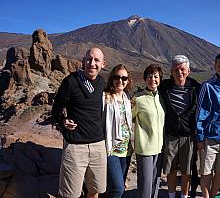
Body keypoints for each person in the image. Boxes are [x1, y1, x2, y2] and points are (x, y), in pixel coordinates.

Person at [51, 47, 107, 198]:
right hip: (75, 147)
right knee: (70, 195)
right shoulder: (71, 82)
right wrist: (63, 121)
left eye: (96, 60)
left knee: (95, 190)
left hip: (98, 145)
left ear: (103, 64)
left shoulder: (102, 83)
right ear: (83, 61)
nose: (92, 63)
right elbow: (55, 110)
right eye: (89, 59)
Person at [160, 55, 200, 198]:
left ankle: (184, 195)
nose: (180, 73)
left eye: (183, 69)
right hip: (170, 134)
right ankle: (171, 195)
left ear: (188, 71)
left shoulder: (196, 88)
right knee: (170, 169)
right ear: (171, 71)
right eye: (176, 70)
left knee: (186, 170)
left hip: (188, 136)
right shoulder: (164, 87)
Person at [196, 53, 220, 198]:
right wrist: (199, 137)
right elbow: (200, 114)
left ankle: (212, 195)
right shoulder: (208, 86)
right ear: (215, 66)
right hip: (209, 138)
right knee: (206, 172)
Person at [132, 64, 165, 198]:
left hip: (159, 148)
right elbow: (128, 119)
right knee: (145, 185)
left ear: (160, 79)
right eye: (149, 76)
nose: (153, 79)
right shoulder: (138, 99)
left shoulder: (161, 98)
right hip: (145, 148)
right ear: (145, 79)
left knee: (155, 183)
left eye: (156, 76)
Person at [103, 64, 133, 198]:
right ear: (111, 78)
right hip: (111, 149)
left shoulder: (127, 99)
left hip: (126, 150)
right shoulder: (105, 98)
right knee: (118, 189)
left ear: (128, 81)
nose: (120, 81)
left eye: (124, 78)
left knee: (115, 188)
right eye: (117, 77)